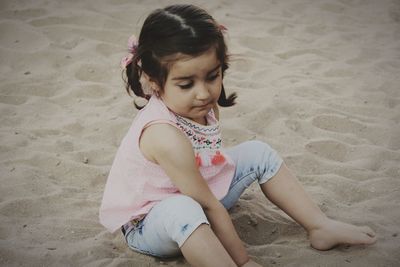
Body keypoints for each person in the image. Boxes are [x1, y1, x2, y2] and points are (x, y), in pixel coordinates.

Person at [99, 4, 377, 267]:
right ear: (153, 81)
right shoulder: (164, 135)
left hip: (197, 188)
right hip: (153, 223)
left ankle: (320, 226)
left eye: (212, 76)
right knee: (183, 208)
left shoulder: (204, 107)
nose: (204, 93)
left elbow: (207, 167)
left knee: (258, 152)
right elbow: (207, 204)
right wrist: (243, 260)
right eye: (186, 84)